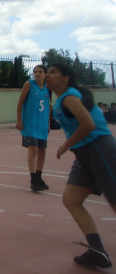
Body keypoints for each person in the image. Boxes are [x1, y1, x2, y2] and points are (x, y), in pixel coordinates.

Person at [46, 63, 116, 269]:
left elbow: (89, 124)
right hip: (84, 155)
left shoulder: (69, 97)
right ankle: (97, 251)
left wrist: (66, 145)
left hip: (99, 148)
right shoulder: (62, 100)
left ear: (65, 77)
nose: (48, 75)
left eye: (52, 72)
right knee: (71, 200)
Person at [15, 65, 51, 192]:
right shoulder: (29, 84)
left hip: (42, 124)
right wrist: (19, 119)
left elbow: (47, 107)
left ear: (45, 74)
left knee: (42, 151)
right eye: (35, 72)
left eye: (40, 72)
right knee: (33, 150)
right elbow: (20, 103)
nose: (37, 74)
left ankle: (39, 178)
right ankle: (33, 179)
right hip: (30, 123)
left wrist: (48, 124)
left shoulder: (47, 88)